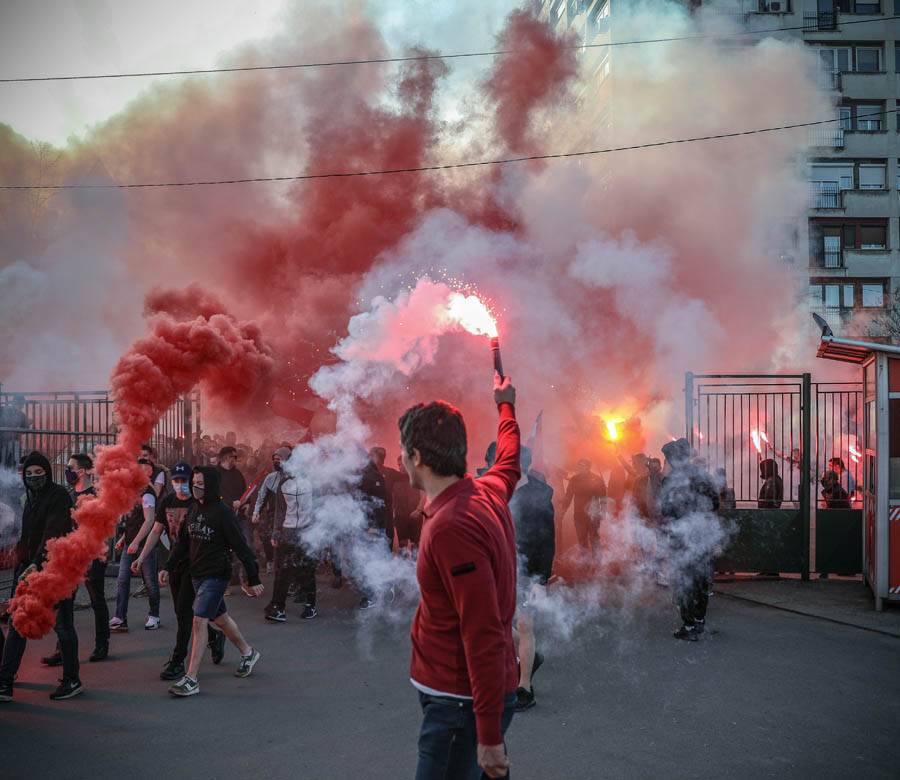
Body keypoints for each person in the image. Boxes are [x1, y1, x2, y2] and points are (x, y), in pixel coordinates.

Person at [401, 373, 519, 779]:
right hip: (461, 702)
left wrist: (487, 736)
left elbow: (482, 630)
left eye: (403, 452)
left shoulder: (453, 526)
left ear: (416, 456)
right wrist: (506, 406)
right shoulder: (485, 489)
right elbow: (509, 460)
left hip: (458, 705)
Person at [163, 466, 263, 697]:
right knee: (222, 619)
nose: (194, 487)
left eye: (199, 483)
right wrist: (168, 566)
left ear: (210, 485)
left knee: (199, 621)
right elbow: (183, 543)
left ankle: (191, 679)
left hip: (216, 575)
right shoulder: (193, 510)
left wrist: (254, 577)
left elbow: (241, 546)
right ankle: (248, 653)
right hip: (196, 574)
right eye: (193, 482)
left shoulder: (223, 513)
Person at [0, 450, 83, 702]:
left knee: (63, 626)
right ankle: (5, 681)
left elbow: (53, 533)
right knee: (18, 622)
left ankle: (72, 679)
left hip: (56, 570)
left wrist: (35, 563)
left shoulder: (58, 496)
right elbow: (28, 536)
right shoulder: (31, 498)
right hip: (28, 569)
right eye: (30, 474)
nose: (35, 477)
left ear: (47, 474)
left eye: (39, 473)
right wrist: (18, 559)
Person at [132, 462, 225, 679]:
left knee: (185, 613)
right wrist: (142, 556)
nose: (180, 485)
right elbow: (156, 531)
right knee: (186, 612)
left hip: (197, 565)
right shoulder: (167, 501)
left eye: (185, 481)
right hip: (175, 563)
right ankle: (213, 636)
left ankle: (178, 661)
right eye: (177, 480)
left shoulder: (198, 503)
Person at [45, 454, 109, 664]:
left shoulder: (96, 496)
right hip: (71, 557)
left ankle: (102, 644)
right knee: (65, 603)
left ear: (81, 471)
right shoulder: (69, 495)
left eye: (70, 467)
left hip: (93, 556)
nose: (67, 471)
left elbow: (104, 528)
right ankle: (62, 649)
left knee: (96, 600)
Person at [660, 438, 720, 642]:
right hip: (703, 535)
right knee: (701, 579)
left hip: (681, 537)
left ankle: (689, 625)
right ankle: (700, 621)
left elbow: (666, 511)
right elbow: (715, 503)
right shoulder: (703, 475)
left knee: (683, 581)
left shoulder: (671, 479)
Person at [508, 445, 554, 712]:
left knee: (525, 624)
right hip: (498, 568)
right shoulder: (492, 490)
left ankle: (524, 687)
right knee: (498, 624)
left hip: (527, 570)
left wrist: (541, 579)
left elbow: (547, 540)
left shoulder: (538, 495)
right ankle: (531, 656)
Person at [110, 458, 161, 632]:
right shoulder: (133, 493)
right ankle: (119, 616)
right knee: (122, 580)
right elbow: (133, 521)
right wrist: (124, 539)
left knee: (150, 582)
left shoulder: (147, 494)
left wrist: (136, 542)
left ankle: (154, 615)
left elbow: (149, 521)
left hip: (145, 545)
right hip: (130, 544)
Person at [264, 463, 317, 622]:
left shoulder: (313, 482)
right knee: (283, 571)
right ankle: (278, 607)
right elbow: (280, 511)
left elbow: (319, 508)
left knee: (307, 569)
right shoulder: (284, 484)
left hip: (306, 533)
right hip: (288, 533)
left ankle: (310, 605)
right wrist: (276, 532)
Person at [358, 449, 391, 609]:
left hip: (372, 527)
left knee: (371, 560)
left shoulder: (372, 476)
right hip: (364, 525)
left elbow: (377, 505)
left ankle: (373, 594)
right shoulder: (363, 474)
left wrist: (372, 525)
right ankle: (374, 592)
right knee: (368, 560)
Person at [252, 447, 292, 575]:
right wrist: (256, 512)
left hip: (290, 516)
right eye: (274, 459)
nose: (276, 462)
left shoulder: (295, 477)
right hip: (273, 515)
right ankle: (271, 561)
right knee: (268, 537)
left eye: (279, 459)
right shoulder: (270, 478)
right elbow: (261, 496)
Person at [218, 445, 248, 592]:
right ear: (225, 457)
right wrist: (230, 503)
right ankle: (225, 583)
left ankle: (245, 581)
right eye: (233, 457)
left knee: (244, 546)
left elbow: (245, 490)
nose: (235, 460)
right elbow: (216, 494)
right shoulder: (216, 473)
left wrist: (246, 504)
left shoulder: (238, 474)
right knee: (224, 550)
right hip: (224, 517)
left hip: (240, 517)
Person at [560, 458, 607, 553]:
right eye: (580, 466)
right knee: (582, 540)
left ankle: (598, 562)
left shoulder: (597, 479)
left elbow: (602, 498)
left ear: (589, 467)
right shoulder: (574, 480)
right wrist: (563, 510)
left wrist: (603, 511)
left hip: (593, 515)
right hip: (579, 516)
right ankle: (585, 563)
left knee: (594, 539)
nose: (582, 468)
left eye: (584, 466)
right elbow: (568, 496)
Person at [392, 454, 425, 557]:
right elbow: (392, 496)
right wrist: (393, 513)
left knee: (416, 543)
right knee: (402, 544)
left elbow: (424, 494)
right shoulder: (395, 478)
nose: (400, 467)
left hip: (415, 514)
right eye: (398, 465)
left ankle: (416, 567)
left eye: (402, 465)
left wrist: (418, 510)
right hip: (400, 515)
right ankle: (403, 568)